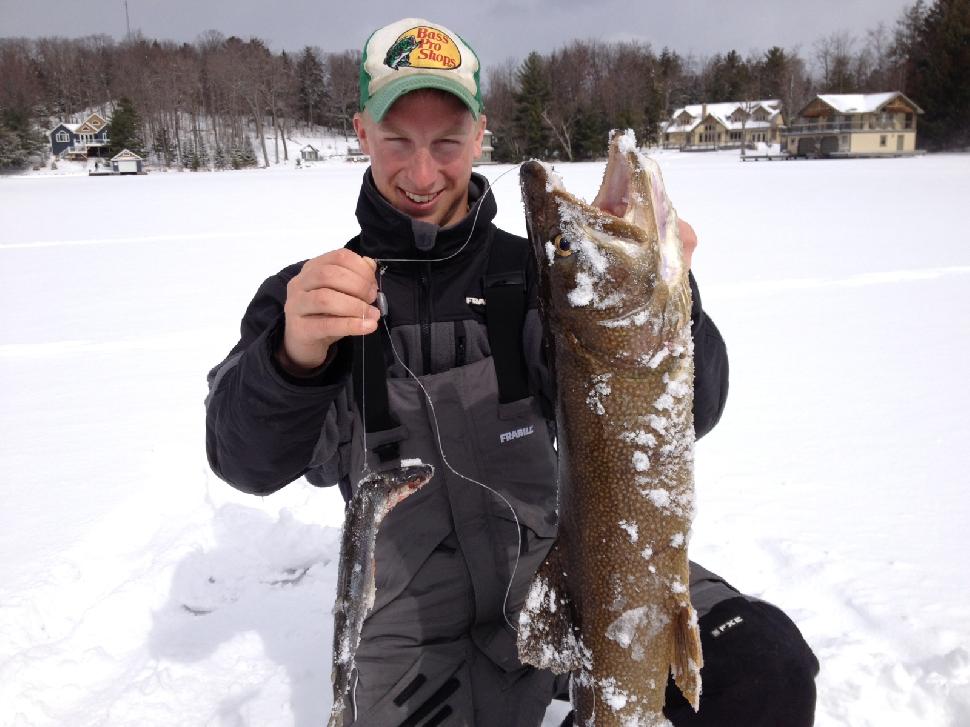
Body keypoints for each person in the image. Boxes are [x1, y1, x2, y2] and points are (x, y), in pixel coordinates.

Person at [205, 17, 818, 727]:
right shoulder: (314, 296)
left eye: (447, 141)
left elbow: (693, 410)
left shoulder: (541, 273)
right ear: (362, 133)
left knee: (764, 667)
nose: (423, 172)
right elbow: (243, 461)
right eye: (398, 139)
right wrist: (291, 357)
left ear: (480, 136)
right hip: (409, 619)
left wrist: (664, 301)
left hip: (568, 565)